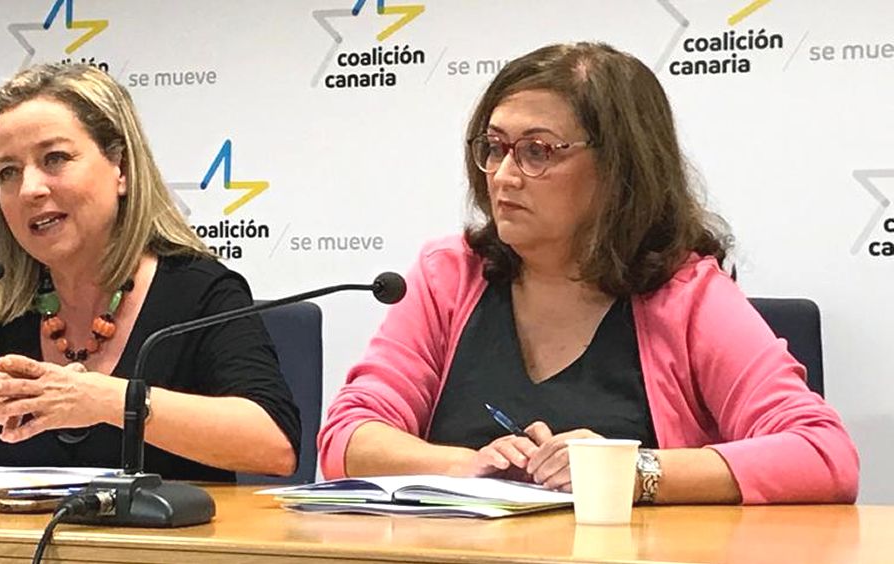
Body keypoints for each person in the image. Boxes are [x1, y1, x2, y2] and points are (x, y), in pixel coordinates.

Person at [318, 42, 858, 504]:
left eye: (537, 151)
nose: (503, 176)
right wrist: (466, 466)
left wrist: (630, 472)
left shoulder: (687, 296)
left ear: (619, 168)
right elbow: (348, 435)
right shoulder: (450, 275)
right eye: (495, 148)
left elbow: (822, 453)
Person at [0, 63, 299, 481]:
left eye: (54, 158)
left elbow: (273, 444)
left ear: (121, 169)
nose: (30, 189)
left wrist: (105, 400)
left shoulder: (198, 289)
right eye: (8, 171)